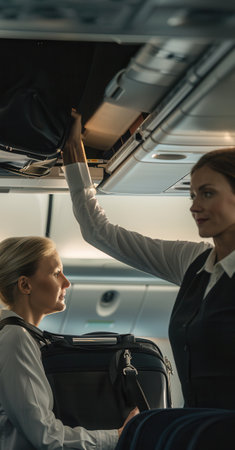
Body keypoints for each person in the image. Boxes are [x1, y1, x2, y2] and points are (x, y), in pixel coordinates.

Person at [63, 112, 235, 410]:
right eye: (192, 195)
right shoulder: (194, 262)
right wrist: (72, 148)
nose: (195, 207)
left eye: (207, 193)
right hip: (201, 431)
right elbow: (98, 232)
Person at [0, 236, 137, 450]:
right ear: (25, 285)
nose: (66, 282)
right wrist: (119, 436)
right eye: (56, 273)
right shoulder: (14, 340)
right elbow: (46, 436)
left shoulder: (23, 338)